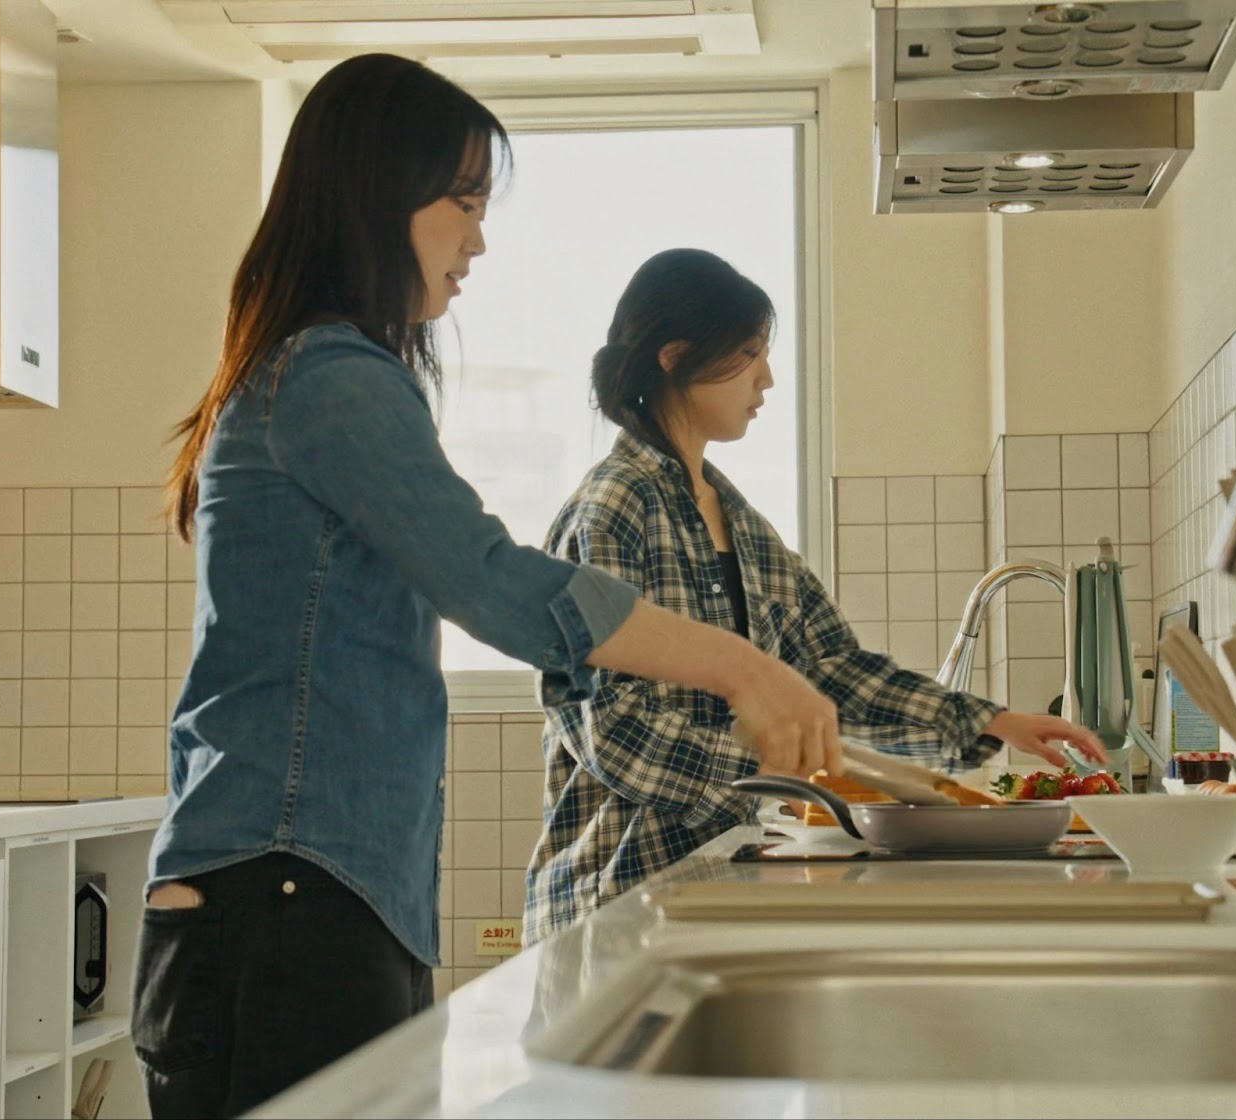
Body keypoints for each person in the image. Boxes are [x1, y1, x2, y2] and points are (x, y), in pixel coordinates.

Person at [132, 59, 843, 1120]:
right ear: (378, 197)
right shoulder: (327, 379)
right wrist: (740, 667)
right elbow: (491, 581)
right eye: (462, 204)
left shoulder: (323, 375)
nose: (478, 241)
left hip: (311, 897)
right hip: (283, 901)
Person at [525, 249, 1106, 944]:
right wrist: (780, 768)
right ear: (676, 357)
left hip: (715, 891)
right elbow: (611, 727)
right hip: (612, 905)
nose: (767, 378)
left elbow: (831, 672)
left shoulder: (741, 523)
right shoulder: (611, 510)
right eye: (748, 354)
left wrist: (995, 722)